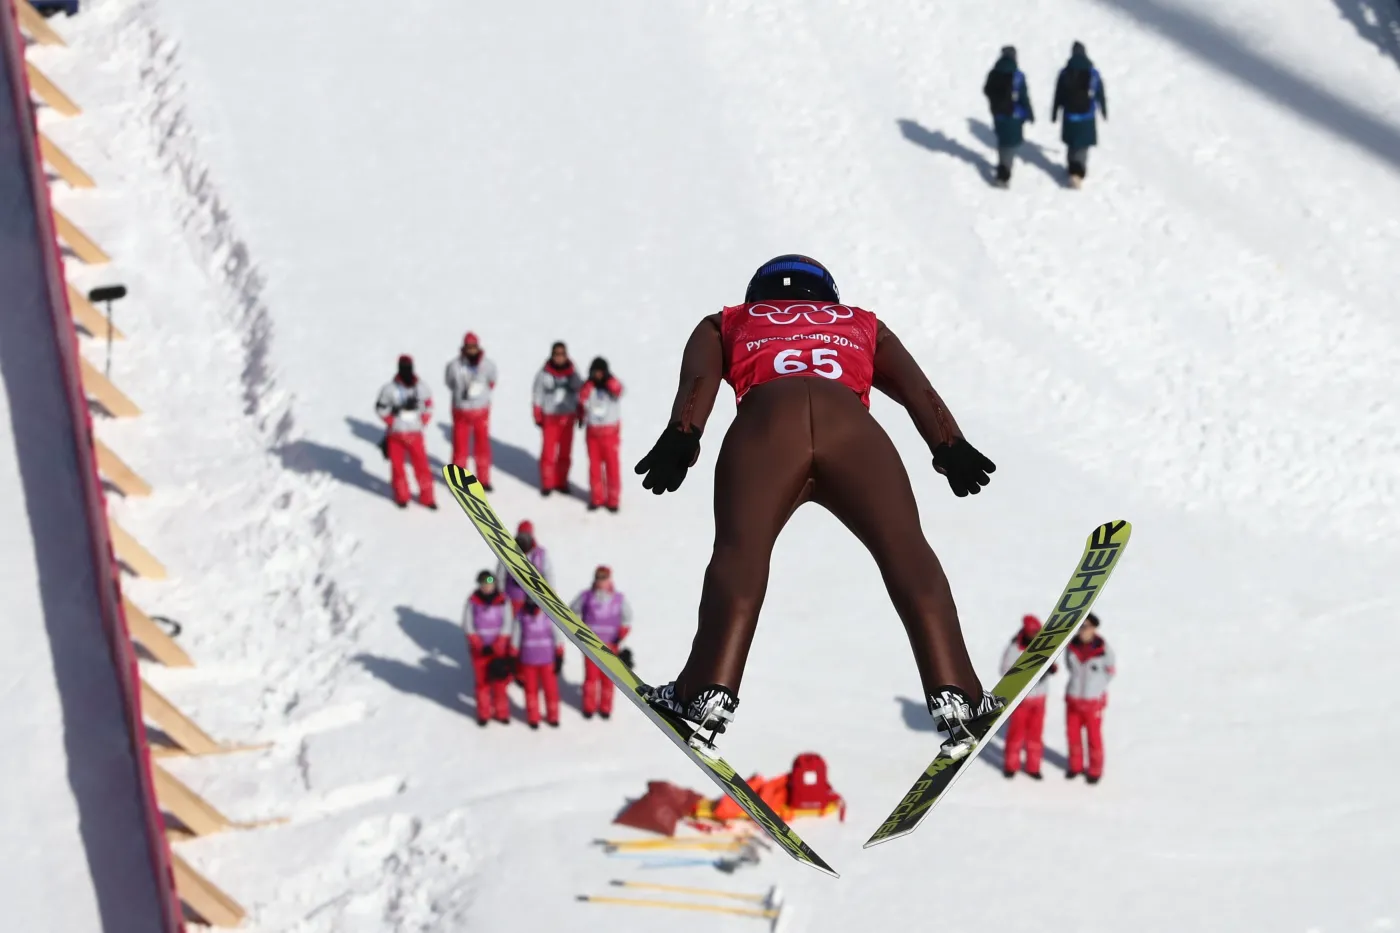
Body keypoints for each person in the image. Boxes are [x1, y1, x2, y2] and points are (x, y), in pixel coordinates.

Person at [633, 255, 999, 744]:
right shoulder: (863, 323)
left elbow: (697, 382)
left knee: (741, 553)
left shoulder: (726, 322)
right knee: (906, 550)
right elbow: (916, 388)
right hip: (852, 431)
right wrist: (947, 444)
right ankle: (957, 691)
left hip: (766, 427)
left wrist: (684, 435)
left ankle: (707, 691)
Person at [569, 565, 633, 719]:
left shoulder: (618, 599)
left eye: (604, 578)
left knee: (608, 678)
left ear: (609, 579)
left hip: (611, 645)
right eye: (598, 577)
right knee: (591, 678)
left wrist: (621, 635)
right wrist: (579, 630)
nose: (600, 581)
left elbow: (628, 618)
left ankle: (605, 708)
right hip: (591, 644)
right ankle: (589, 707)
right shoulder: (586, 596)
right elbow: (571, 610)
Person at [374, 354, 436, 509]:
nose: (406, 371)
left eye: (408, 368)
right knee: (397, 467)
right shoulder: (389, 389)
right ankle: (402, 496)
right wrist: (392, 421)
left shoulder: (421, 387)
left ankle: (427, 498)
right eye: (403, 368)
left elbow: (429, 406)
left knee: (422, 467)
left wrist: (422, 421)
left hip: (415, 434)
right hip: (396, 435)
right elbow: (380, 409)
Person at [1001, 615, 1055, 778]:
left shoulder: (1044, 645)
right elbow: (1005, 670)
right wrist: (1023, 674)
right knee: (1016, 733)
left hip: (1039, 698)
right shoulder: (1015, 647)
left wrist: (1051, 668)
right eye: (1033, 631)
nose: (1036, 634)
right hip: (1021, 699)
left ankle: (1034, 766)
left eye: (1038, 631)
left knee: (1035, 735)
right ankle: (1011, 765)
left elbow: (1053, 664)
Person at [1064, 612, 1115, 783]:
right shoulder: (1071, 647)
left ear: (1093, 628)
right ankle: (1075, 766)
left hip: (1093, 702)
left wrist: (1097, 687)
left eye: (1085, 627)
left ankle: (1095, 770)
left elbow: (1110, 671)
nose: (1082, 631)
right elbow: (1069, 666)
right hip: (1074, 699)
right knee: (1073, 736)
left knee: (1094, 738)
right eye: (1079, 627)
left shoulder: (1103, 649)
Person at [444, 331, 498, 490]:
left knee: (482, 447)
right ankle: (459, 483)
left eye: (474, 347)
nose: (472, 350)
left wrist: (480, 393)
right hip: (461, 411)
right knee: (460, 448)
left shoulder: (488, 365)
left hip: (481, 411)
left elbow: (492, 382)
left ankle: (484, 479)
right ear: (464, 347)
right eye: (469, 347)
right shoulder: (454, 366)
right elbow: (449, 383)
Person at [1051, 41, 1107, 187]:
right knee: (1083, 144)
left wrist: (1055, 112)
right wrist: (1103, 110)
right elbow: (1100, 93)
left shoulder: (1064, 73)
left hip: (1069, 114)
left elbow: (1058, 94)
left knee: (1072, 142)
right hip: (1087, 115)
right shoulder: (1093, 72)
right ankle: (1079, 172)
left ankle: (1072, 169)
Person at [532, 341, 583, 496]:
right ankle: (548, 483)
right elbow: (537, 393)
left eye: (562, 354)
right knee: (548, 452)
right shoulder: (543, 374)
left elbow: (581, 392)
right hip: (550, 417)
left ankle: (562, 482)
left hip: (567, 417)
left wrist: (580, 412)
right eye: (556, 354)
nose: (559, 358)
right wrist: (537, 412)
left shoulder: (573, 373)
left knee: (565, 453)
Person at [463, 570, 513, 726]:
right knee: (482, 683)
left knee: (499, 683)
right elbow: (468, 624)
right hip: (480, 650)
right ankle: (484, 713)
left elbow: (507, 623)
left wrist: (498, 644)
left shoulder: (503, 600)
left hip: (498, 649)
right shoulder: (473, 601)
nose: (487, 587)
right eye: (483, 584)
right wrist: (478, 644)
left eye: (490, 584)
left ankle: (501, 712)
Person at [577, 357, 624, 512]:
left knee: (612, 467)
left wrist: (608, 381)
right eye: (595, 372)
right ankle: (596, 498)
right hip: (593, 433)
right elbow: (581, 401)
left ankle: (613, 500)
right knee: (595, 468)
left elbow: (619, 389)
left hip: (610, 433)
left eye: (601, 372)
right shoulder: (588, 387)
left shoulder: (612, 386)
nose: (598, 375)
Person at [983, 45, 1035, 186]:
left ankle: (1003, 167)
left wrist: (995, 104)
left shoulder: (993, 73)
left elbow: (986, 90)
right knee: (1010, 144)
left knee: (1002, 141)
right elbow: (1023, 96)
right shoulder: (1018, 75)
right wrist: (1029, 113)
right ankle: (1003, 175)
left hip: (998, 114)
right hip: (1014, 115)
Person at [512, 599, 563, 728]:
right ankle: (533, 717)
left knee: (551, 690)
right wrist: (513, 657)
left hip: (547, 659)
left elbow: (557, 636)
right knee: (530, 690)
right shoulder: (521, 614)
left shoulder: (549, 614)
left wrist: (559, 655)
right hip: (528, 660)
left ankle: (553, 716)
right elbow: (516, 636)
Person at [496, 520, 552, 615]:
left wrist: (550, 593)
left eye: (526, 535)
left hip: (534, 599)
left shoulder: (540, 553)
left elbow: (548, 573)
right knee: (513, 625)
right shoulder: (508, 551)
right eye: (521, 535)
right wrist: (500, 594)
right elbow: (500, 575)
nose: (523, 539)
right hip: (513, 597)